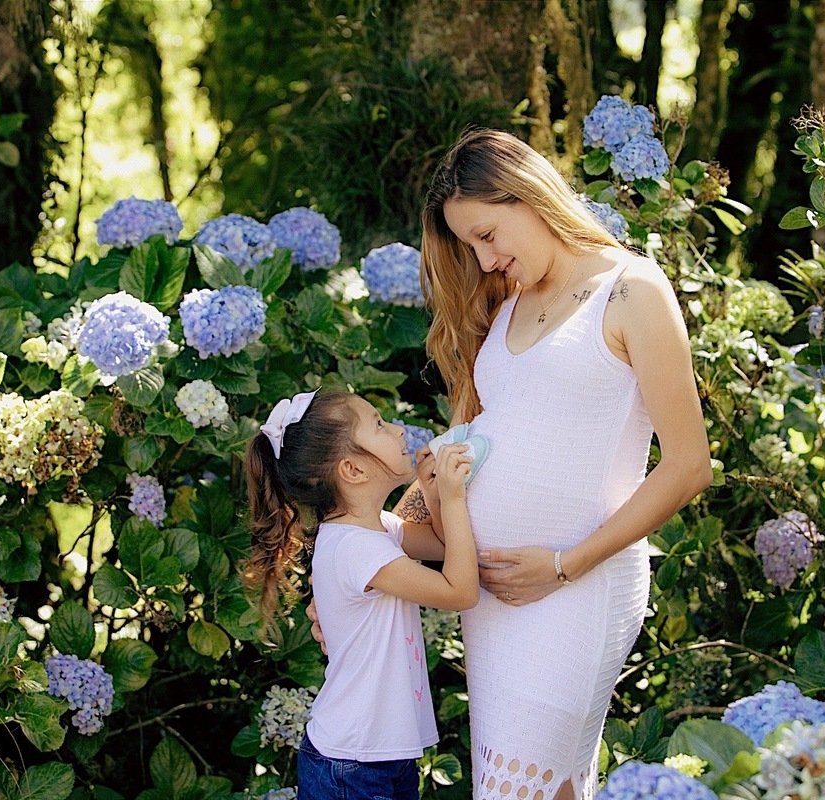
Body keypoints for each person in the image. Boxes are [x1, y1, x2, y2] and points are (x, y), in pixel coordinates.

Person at [316, 128, 711, 799]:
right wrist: (358, 549)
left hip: (575, 587)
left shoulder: (632, 290)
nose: (486, 257)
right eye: (472, 244)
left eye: (489, 233)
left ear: (530, 196)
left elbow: (688, 466)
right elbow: (459, 447)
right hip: (495, 599)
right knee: (518, 785)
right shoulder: (507, 306)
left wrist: (565, 565)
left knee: (519, 787)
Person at [244, 389, 480, 800]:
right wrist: (455, 494)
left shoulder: (378, 529)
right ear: (353, 470)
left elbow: (444, 546)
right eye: (378, 424)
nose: (396, 429)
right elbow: (460, 590)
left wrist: (433, 493)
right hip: (353, 763)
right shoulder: (358, 548)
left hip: (376, 753)